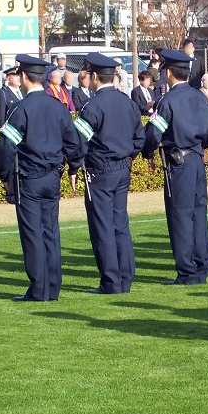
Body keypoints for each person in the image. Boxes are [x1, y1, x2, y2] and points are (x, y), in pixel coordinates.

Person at [0, 54, 83, 302]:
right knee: (51, 231)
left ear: (23, 77)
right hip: (52, 176)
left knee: (32, 233)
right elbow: (74, 143)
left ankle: (39, 289)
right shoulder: (58, 106)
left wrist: (3, 174)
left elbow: (5, 147)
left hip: (29, 179)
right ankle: (53, 287)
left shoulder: (20, 109)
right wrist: (74, 166)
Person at [142, 50, 208, 285]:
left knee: (180, 215)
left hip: (178, 163)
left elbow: (153, 134)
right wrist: (200, 145)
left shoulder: (168, 101)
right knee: (199, 214)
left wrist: (147, 153)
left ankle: (187, 271)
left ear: (168, 72)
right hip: (197, 159)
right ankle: (201, 266)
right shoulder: (200, 97)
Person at [70, 53, 144, 294]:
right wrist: (127, 157)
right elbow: (139, 138)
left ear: (93, 76)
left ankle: (111, 281)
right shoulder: (127, 102)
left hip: (100, 170)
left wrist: (73, 165)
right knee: (120, 223)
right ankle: (125, 277)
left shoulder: (93, 106)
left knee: (103, 226)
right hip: (122, 168)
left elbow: (77, 142)